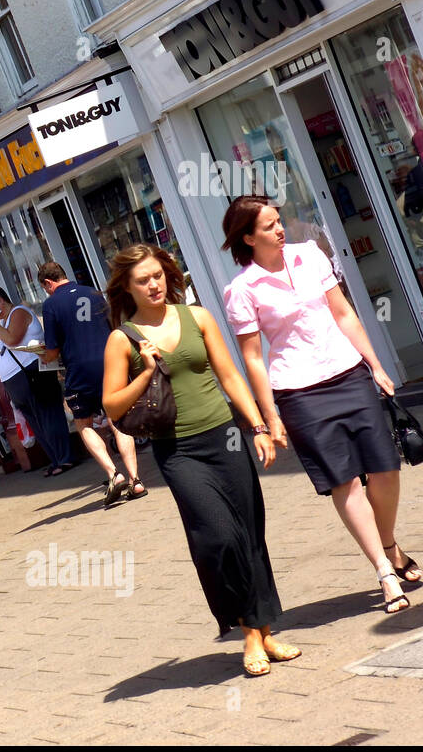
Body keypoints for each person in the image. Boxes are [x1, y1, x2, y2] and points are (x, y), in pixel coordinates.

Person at [103, 244, 298, 677]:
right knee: (218, 536)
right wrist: (146, 372)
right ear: (127, 288)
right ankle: (248, 630)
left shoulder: (198, 317)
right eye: (142, 280)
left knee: (249, 533)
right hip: (179, 451)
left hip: (224, 437)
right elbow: (112, 406)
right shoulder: (124, 339)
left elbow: (229, 375)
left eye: (157, 275)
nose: (153, 284)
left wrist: (259, 426)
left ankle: (263, 630)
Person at [221, 197, 413, 615]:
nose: (279, 229)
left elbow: (343, 314)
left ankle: (388, 542)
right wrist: (270, 417)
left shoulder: (310, 255)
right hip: (299, 392)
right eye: (268, 226)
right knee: (344, 482)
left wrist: (375, 364)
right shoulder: (242, 290)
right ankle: (384, 570)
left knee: (385, 468)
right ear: (248, 237)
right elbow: (252, 357)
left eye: (278, 220)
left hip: (348, 373)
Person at [39, 261, 145, 506]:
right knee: (117, 419)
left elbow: (53, 350)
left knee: (83, 423)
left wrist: (43, 356)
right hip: (110, 363)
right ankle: (136, 481)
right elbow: (115, 327)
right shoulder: (95, 293)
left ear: (48, 283)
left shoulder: (51, 304)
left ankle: (113, 474)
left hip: (79, 370)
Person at [0, 286, 76, 476]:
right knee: (36, 421)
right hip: (17, 379)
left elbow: (13, 340)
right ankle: (55, 459)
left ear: (1, 302)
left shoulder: (19, 313)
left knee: (48, 415)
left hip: (33, 372)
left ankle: (65, 458)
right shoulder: (3, 321)